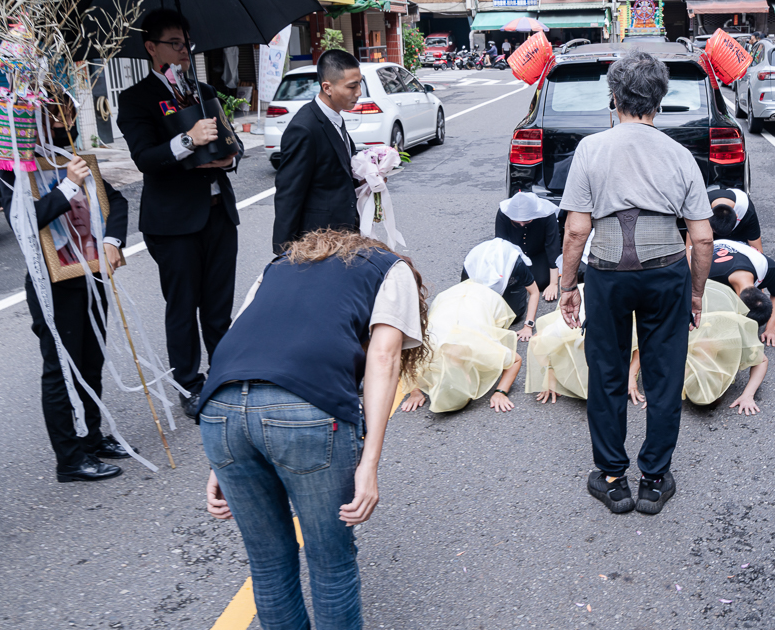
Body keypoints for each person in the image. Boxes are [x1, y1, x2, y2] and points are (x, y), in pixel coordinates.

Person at [198, 229, 428, 630]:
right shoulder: (393, 269)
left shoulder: (277, 267)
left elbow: (238, 343)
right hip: (305, 407)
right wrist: (369, 463)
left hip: (221, 410)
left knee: (268, 563)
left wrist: (220, 463)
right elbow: (385, 357)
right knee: (330, 561)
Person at [558, 48, 714, 515]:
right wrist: (698, 293)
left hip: (607, 273)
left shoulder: (591, 149)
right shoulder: (680, 154)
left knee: (606, 375)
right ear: (659, 101)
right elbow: (702, 238)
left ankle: (611, 478)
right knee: (664, 378)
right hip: (667, 274)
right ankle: (653, 479)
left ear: (614, 97)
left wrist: (567, 286)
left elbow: (576, 229)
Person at [0, 99, 132, 482]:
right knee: (60, 370)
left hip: (90, 272)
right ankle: (69, 459)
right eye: (54, 113)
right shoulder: (16, 165)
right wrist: (69, 184)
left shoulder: (69, 154)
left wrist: (112, 241)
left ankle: (91, 438)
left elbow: (115, 201)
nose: (63, 121)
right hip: (53, 284)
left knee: (91, 362)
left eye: (68, 113)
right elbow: (22, 223)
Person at [117, 9, 238, 418]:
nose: (184, 51)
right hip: (173, 223)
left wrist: (226, 157)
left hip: (219, 211)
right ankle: (189, 383)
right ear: (151, 47)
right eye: (174, 43)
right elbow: (145, 158)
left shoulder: (204, 91)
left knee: (219, 303)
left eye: (186, 43)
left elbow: (230, 144)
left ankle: (223, 373)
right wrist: (188, 140)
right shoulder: (136, 99)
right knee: (183, 304)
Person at [526, 280, 767, 415]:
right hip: (670, 299)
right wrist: (637, 380)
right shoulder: (722, 339)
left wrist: (659, 392)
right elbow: (646, 342)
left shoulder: (695, 356)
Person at [272, 49, 364, 254]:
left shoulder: (334, 116)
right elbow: (289, 193)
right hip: (318, 241)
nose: (358, 92)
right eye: (352, 86)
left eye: (360, 83)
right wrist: (284, 252)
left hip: (343, 236)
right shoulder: (304, 128)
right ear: (327, 87)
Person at [400, 280, 523, 413]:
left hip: (485, 297)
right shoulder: (428, 352)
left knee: (493, 332)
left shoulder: (481, 347)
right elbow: (404, 360)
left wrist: (501, 392)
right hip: (447, 298)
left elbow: (516, 360)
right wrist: (415, 392)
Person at [708, 238, 775, 345]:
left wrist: (770, 329)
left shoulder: (769, 269)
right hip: (710, 250)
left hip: (739, 250)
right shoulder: (709, 278)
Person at [460, 237, 541, 338]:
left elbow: (534, 292)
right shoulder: (470, 266)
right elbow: (464, 295)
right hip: (481, 279)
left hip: (510, 280)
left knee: (514, 315)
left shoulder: (516, 264)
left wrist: (528, 326)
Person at [495, 192, 562, 301]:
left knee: (540, 281)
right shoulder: (503, 213)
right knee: (511, 282)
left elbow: (552, 247)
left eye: (526, 221)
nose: (521, 225)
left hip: (538, 253)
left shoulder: (547, 215)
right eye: (517, 222)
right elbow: (500, 245)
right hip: (514, 254)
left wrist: (553, 284)